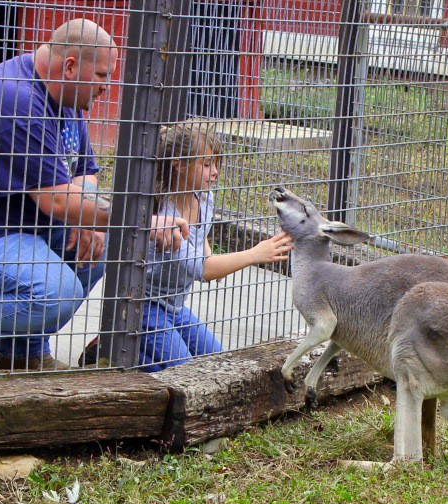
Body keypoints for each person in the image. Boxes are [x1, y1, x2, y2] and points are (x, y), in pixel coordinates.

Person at [0, 19, 189, 377]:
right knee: (56, 292)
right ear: (70, 66)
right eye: (100, 76)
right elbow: (59, 203)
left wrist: (90, 223)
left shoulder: (65, 97)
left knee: (105, 243)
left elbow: (84, 171)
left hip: (4, 232)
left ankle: (19, 350)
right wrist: (141, 221)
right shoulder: (15, 98)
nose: (105, 88)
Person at [80, 122, 293, 371]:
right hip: (144, 306)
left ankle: (119, 349)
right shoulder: (165, 215)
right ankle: (108, 351)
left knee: (218, 362)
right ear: (179, 164)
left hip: (175, 305)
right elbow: (203, 269)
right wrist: (254, 254)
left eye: (216, 163)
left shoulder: (203, 197)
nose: (214, 172)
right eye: (205, 164)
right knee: (186, 371)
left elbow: (200, 238)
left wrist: (209, 251)